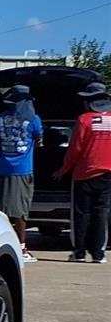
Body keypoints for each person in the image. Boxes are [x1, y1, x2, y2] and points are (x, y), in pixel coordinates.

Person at [54, 81, 111, 264]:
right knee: (101, 213)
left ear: (89, 102)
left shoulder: (84, 119)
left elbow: (75, 149)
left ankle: (79, 253)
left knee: (81, 214)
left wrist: (63, 170)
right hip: (108, 174)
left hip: (84, 173)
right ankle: (99, 254)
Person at [0, 84, 43, 262]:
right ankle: (21, 248)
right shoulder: (34, 120)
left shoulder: (0, 119)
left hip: (2, 168)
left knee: (1, 209)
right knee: (20, 211)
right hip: (22, 170)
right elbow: (39, 139)